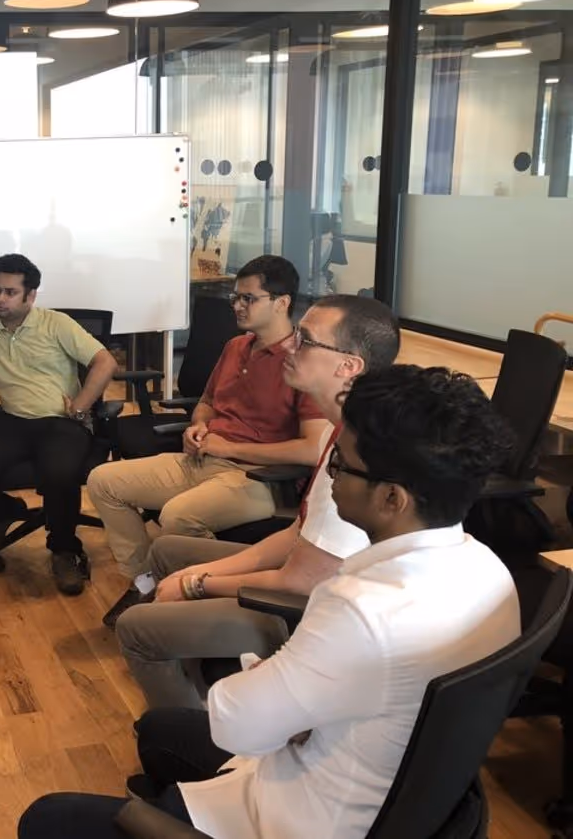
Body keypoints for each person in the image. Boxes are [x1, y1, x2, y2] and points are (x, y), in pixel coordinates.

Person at [17, 364, 519, 839]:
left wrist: (280, 688)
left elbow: (236, 725)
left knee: (46, 819)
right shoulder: (493, 575)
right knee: (159, 730)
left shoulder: (359, 608)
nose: (330, 476)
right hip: (382, 791)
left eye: (342, 464)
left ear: (393, 498)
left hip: (296, 815)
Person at [116, 295, 400, 709]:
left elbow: (301, 582)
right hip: (304, 575)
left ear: (349, 366)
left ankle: (195, 744)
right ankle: (206, 685)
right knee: (167, 551)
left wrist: (197, 584)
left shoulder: (358, 459)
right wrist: (199, 574)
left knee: (136, 628)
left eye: (305, 340)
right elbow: (296, 534)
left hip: (311, 612)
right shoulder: (336, 433)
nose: (290, 346)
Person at [88, 255, 328, 626]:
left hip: (258, 477)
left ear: (282, 303)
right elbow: (207, 402)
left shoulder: (303, 361)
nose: (237, 305)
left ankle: (190, 597)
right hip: (203, 457)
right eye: (236, 297)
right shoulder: (236, 347)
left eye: (249, 298)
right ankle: (146, 580)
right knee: (103, 481)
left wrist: (229, 448)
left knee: (178, 516)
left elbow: (313, 449)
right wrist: (197, 426)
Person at [0, 253, 119, 596]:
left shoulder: (56, 324)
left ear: (31, 295)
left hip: (60, 422)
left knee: (58, 474)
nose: (0, 299)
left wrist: (81, 407)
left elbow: (105, 362)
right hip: (12, 421)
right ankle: (5, 512)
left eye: (10, 292)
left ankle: (64, 549)